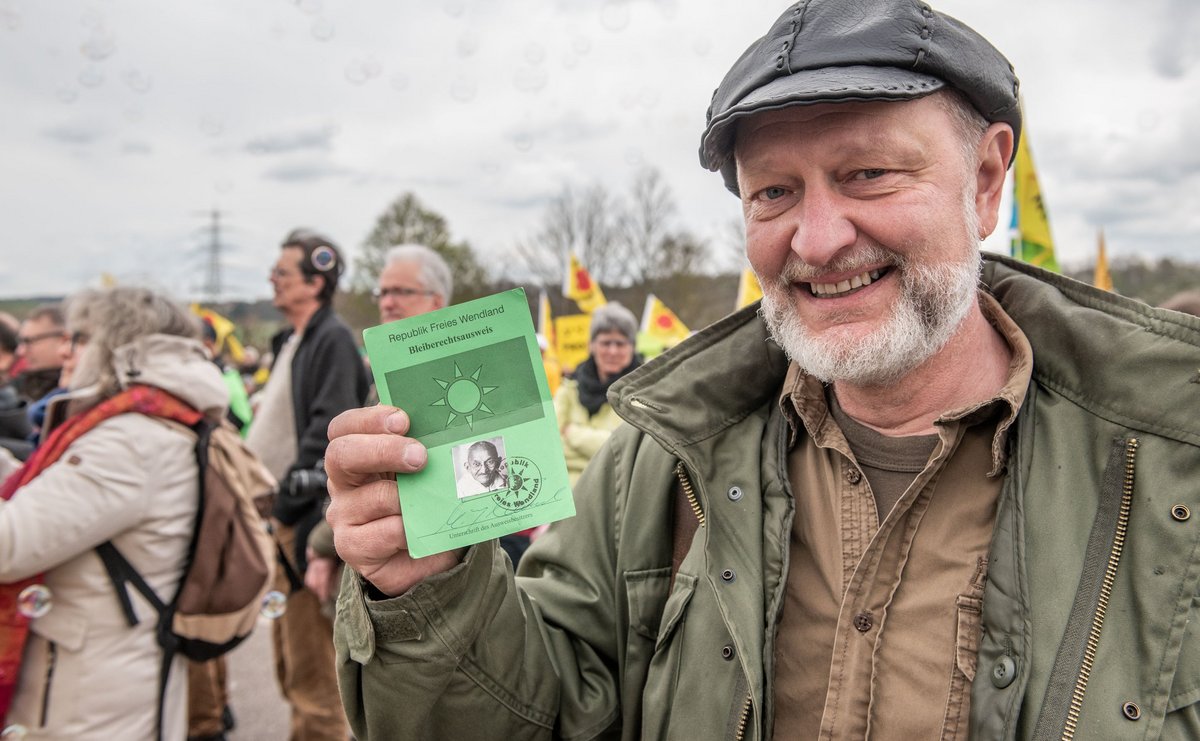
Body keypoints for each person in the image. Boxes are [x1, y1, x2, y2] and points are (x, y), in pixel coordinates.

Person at [322, 1, 1200, 738]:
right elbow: (537, 716)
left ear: (984, 178)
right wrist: (428, 589)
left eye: (869, 173)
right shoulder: (657, 467)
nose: (817, 239)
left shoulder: (1172, 466)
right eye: (773, 192)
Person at [1, 286, 229, 740]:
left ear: (119, 345)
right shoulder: (140, 426)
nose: (65, 348)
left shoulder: (129, 442)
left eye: (80, 337)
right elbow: (45, 495)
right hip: (99, 679)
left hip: (91, 700)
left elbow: (10, 544)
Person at [245, 228, 368, 741]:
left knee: (314, 678)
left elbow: (327, 439)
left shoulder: (331, 339)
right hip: (285, 520)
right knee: (290, 665)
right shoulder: (295, 339)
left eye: (282, 273)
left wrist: (289, 505)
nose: (272, 280)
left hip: (304, 520)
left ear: (315, 283)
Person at [553, 302, 642, 485]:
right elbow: (548, 444)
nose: (612, 350)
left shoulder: (644, 390)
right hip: (565, 495)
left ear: (632, 347)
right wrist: (602, 445)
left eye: (620, 343)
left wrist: (571, 433)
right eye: (605, 342)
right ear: (592, 345)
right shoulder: (569, 386)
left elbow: (629, 451)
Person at [12, 304, 68, 404]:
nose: (21, 351)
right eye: (21, 342)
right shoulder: (19, 388)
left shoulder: (78, 394)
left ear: (63, 339)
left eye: (29, 341)